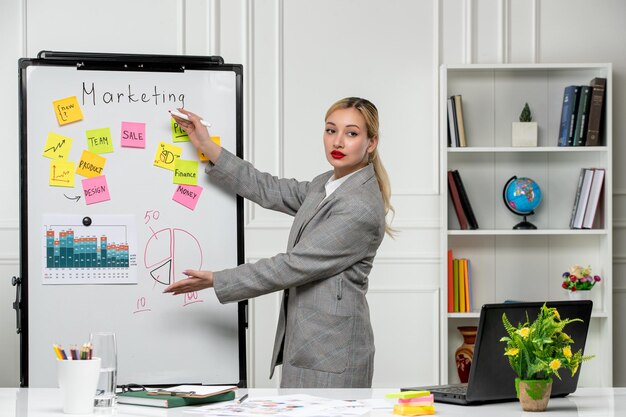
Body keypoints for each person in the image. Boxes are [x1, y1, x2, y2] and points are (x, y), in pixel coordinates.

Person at [165, 97, 394, 388]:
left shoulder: (358, 207)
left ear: (371, 143)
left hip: (332, 355)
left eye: (351, 133)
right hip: (312, 344)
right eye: (330, 130)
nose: (338, 141)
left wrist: (217, 280)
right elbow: (269, 188)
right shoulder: (328, 183)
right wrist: (207, 147)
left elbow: (293, 265)